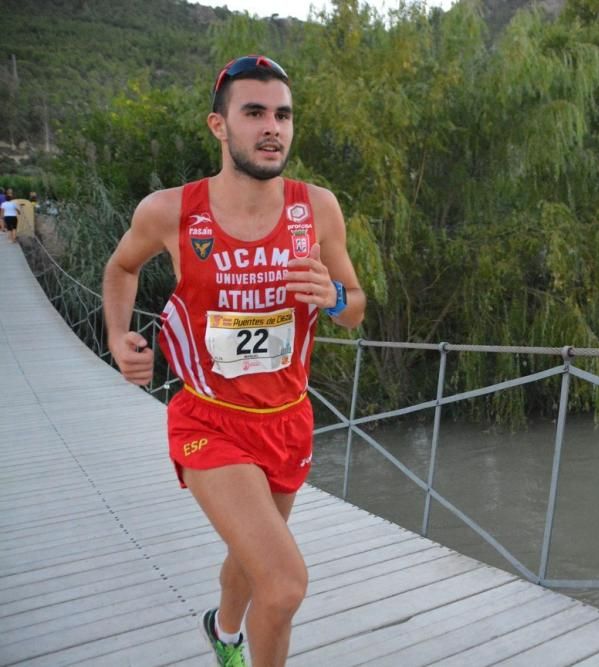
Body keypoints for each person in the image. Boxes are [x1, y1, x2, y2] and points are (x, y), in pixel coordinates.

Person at [102, 55, 365, 667]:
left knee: (252, 559)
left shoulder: (317, 209)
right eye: (254, 113)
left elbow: (354, 308)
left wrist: (333, 298)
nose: (272, 127)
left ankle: (221, 633)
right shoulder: (169, 211)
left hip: (287, 418)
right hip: (208, 420)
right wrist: (118, 336)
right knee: (284, 581)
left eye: (283, 114)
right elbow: (122, 267)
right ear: (219, 126)